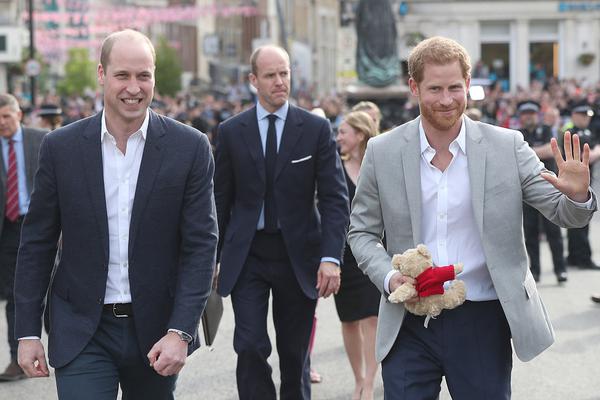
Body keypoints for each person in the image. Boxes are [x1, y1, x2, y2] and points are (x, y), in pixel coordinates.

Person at [347, 36, 597, 399]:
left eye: (454, 87)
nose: (446, 100)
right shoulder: (382, 151)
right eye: (435, 88)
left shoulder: (507, 146)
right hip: (408, 320)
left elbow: (564, 213)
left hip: (483, 318)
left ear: (468, 84)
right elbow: (361, 233)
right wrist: (389, 277)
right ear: (414, 87)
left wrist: (577, 196)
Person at [14, 29, 218, 399]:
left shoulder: (189, 148)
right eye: (123, 75)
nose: (134, 87)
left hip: (157, 331)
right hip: (82, 330)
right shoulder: (60, 148)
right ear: (102, 74)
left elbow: (201, 246)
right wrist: (27, 332)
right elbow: (37, 243)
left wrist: (180, 331)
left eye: (144, 76)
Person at [215, 45, 349, 400]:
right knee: (249, 345)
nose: (279, 82)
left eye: (284, 73)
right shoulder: (231, 132)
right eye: (271, 75)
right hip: (248, 255)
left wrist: (331, 257)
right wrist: (213, 259)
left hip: (299, 256)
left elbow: (336, 199)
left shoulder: (316, 129)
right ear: (253, 80)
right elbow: (219, 201)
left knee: (295, 354)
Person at [0, 94, 46, 382]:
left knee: (57, 292)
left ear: (19, 115)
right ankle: (17, 358)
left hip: (43, 227)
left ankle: (69, 350)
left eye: (6, 116)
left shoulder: (41, 140)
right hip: (8, 229)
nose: (2, 123)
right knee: (16, 296)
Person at [334, 110, 380, 400]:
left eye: (343, 132)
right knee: (349, 319)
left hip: (375, 250)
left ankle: (369, 383)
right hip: (343, 253)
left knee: (373, 318)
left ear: (360, 135)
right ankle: (358, 377)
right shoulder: (334, 168)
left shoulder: (377, 165)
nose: (338, 137)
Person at [517, 100, 568, 283]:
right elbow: (514, 157)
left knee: (553, 233)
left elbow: (551, 150)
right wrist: (537, 152)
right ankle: (535, 271)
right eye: (525, 113)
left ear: (537, 114)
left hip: (549, 188)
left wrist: (525, 153)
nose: (528, 116)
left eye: (531, 112)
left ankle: (560, 270)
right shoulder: (517, 134)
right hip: (526, 190)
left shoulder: (546, 129)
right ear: (520, 116)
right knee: (530, 234)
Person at [560, 100, 600, 270]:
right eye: (583, 116)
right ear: (575, 116)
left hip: (586, 179)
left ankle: (575, 256)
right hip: (575, 181)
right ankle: (583, 258)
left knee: (579, 219)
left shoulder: (588, 130)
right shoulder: (572, 132)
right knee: (580, 218)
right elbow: (590, 155)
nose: (586, 119)